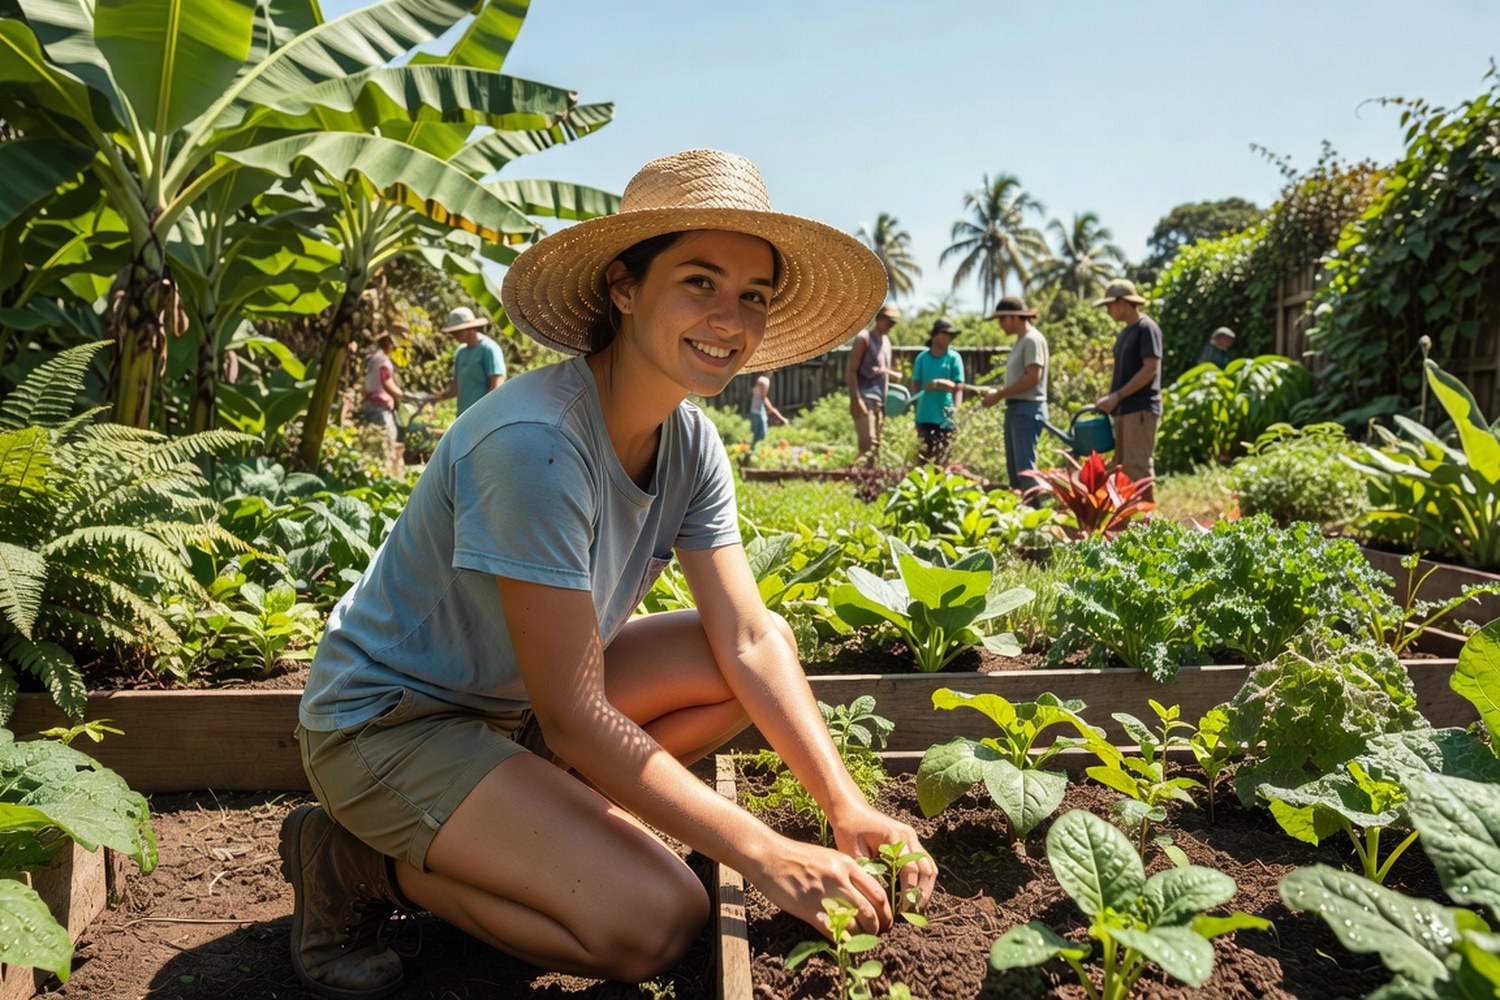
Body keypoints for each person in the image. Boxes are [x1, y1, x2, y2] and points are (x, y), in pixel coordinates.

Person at [280, 149, 937, 1000]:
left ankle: (538, 820)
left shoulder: (691, 441)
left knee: (751, 657)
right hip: (393, 727)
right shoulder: (534, 444)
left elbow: (745, 636)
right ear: (624, 288)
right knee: (656, 920)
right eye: (698, 281)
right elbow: (579, 716)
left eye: (753, 296)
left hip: (515, 711)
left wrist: (845, 806)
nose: (728, 317)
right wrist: (766, 854)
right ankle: (355, 864)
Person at [1093, 279, 1163, 499]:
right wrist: (1112, 399)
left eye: (1109, 305)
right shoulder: (1125, 333)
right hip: (1125, 409)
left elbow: (1151, 368)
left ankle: (1148, 524)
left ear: (1123, 302)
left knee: (1137, 467)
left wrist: (1118, 395)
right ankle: (1127, 523)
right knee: (1121, 468)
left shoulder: (1146, 328)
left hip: (1140, 408)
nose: (1107, 310)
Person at [978, 296, 1049, 493]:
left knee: (1026, 472)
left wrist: (999, 395)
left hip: (1027, 409)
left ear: (1014, 317)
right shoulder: (1021, 341)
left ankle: (1037, 516)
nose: (1000, 325)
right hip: (1016, 409)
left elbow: (1033, 377)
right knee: (1016, 474)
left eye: (1002, 319)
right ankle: (1022, 518)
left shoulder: (1032, 339)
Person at [359, 330, 424, 478]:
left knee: (377, 442)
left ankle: (376, 474)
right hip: (379, 408)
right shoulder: (382, 360)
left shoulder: (375, 358)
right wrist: (407, 396)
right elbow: (387, 383)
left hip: (372, 404)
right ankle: (383, 476)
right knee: (387, 441)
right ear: (389, 343)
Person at [431, 306, 506, 416]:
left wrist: (484, 414)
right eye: (452, 332)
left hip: (483, 417)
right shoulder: (461, 352)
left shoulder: (488, 349)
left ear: (469, 328)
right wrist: (435, 397)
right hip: (463, 418)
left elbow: (496, 389)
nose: (454, 335)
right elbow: (455, 389)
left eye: (456, 331)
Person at [846, 303, 897, 466]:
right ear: (880, 320)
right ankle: (854, 477)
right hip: (865, 399)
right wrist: (856, 399)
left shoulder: (887, 342)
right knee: (867, 446)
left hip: (880, 401)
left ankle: (868, 486)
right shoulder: (864, 338)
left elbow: (885, 372)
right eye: (889, 322)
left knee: (876, 449)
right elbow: (852, 371)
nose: (891, 326)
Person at [910, 318, 964, 466]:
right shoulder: (922, 358)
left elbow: (958, 386)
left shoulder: (954, 358)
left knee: (943, 460)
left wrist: (956, 410)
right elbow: (915, 384)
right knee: (923, 459)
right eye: (945, 334)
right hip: (924, 416)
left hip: (946, 417)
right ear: (935, 336)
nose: (949, 338)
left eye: (950, 335)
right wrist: (913, 406)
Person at [747, 372, 787, 446]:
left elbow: (760, 396)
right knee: (760, 436)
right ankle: (754, 454)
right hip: (759, 412)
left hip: (753, 410)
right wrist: (777, 415)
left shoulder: (760, 379)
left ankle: (752, 453)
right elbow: (763, 398)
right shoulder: (765, 380)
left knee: (756, 435)